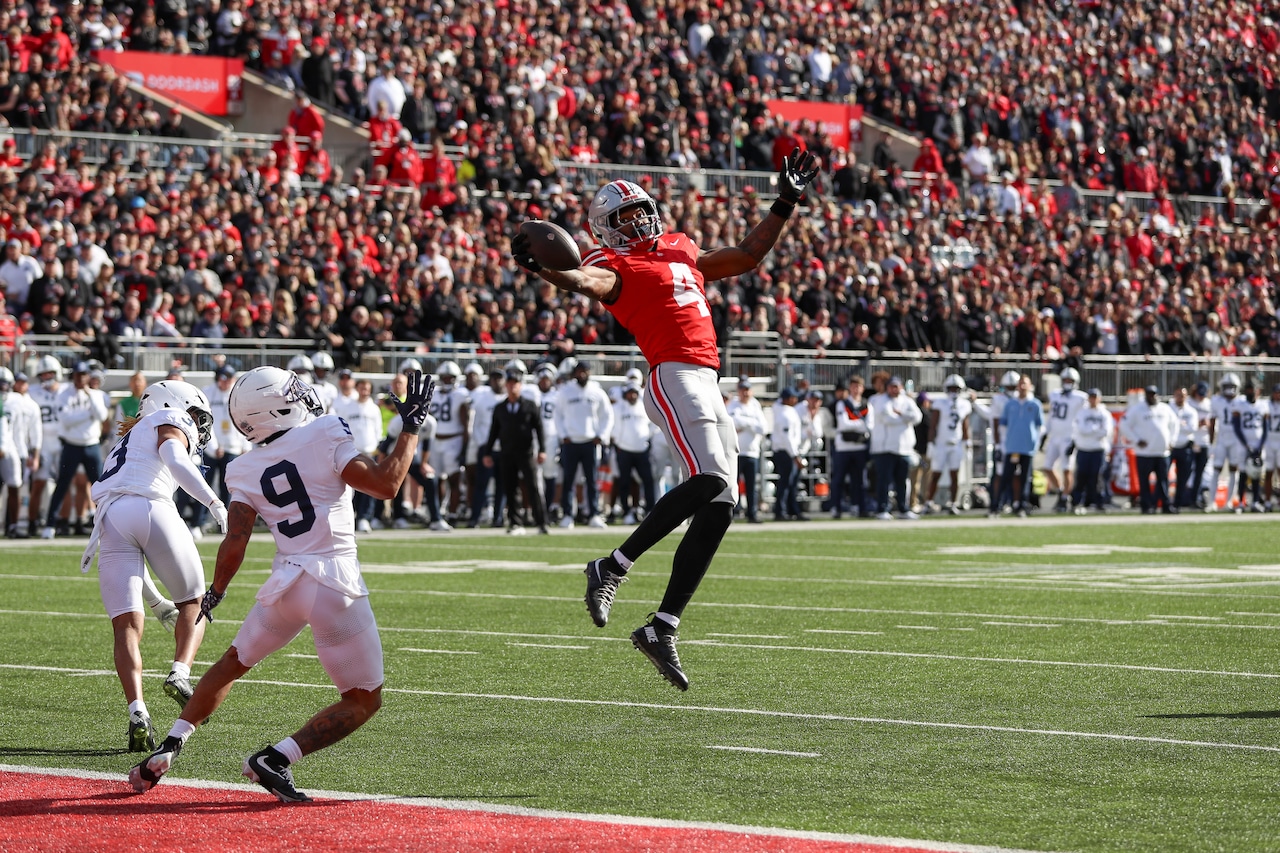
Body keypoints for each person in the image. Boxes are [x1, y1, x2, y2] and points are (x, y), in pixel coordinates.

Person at [511, 148, 819, 690]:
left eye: (641, 211)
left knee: (723, 505)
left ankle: (662, 625)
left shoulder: (680, 246)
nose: (639, 221)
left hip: (708, 377)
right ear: (607, 229)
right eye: (626, 217)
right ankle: (612, 565)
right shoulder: (612, 264)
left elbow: (746, 256)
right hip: (673, 374)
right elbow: (586, 283)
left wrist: (785, 203)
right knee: (712, 480)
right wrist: (547, 269)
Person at [129, 366, 435, 802]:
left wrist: (217, 590)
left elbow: (236, 540)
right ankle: (277, 757)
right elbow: (385, 485)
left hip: (286, 584)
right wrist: (411, 428)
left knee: (232, 662)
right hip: (334, 582)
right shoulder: (326, 431)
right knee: (364, 699)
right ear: (276, 407)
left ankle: (171, 744)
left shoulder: (243, 467)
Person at [82, 380, 227, 752]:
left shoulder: (124, 443)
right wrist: (214, 502)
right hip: (152, 506)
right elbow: (175, 458)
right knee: (195, 603)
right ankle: (180, 673)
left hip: (111, 519)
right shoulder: (168, 417)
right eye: (195, 414)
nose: (197, 423)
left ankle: (137, 711)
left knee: (127, 626)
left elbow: (133, 543)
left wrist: (156, 601)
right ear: (173, 403)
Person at [43, 362, 109, 538]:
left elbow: (101, 416)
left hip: (91, 445)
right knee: (62, 484)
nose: (81, 378)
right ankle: (49, 525)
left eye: (84, 375)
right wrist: (88, 414)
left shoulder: (95, 394)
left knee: (100, 486)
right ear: (73, 376)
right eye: (78, 375)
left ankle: (109, 525)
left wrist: (90, 396)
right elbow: (66, 420)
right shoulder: (64, 394)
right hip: (71, 445)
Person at [481, 368, 548, 535]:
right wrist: (488, 452)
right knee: (510, 488)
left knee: (533, 487)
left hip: (526, 452)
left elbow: (539, 429)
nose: (512, 387)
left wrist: (542, 449)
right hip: (507, 452)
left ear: (520, 385)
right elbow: (494, 431)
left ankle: (541, 522)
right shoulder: (500, 408)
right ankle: (515, 522)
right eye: (509, 383)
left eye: (515, 383)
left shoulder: (530, 406)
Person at [553, 360, 613, 528]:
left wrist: (601, 435)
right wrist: (563, 435)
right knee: (568, 480)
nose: (582, 374)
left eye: (585, 371)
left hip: (590, 442)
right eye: (579, 371)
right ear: (574, 373)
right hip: (570, 442)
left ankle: (593, 514)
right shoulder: (565, 391)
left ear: (589, 372)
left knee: (592, 480)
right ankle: (567, 515)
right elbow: (558, 415)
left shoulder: (597, 391)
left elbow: (607, 415)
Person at [1119, 385, 1179, 514]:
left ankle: (1165, 505)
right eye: (1149, 394)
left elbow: (1175, 424)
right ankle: (1146, 506)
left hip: (1162, 452)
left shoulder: (1164, 408)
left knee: (1163, 480)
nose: (1152, 397)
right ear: (1145, 395)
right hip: (1144, 452)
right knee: (1144, 481)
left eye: (1154, 394)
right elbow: (1123, 425)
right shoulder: (1137, 409)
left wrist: (1172, 441)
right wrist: (1136, 440)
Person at [870, 376, 923, 520]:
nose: (894, 390)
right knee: (884, 481)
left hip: (904, 448)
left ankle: (903, 508)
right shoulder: (880, 400)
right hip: (885, 448)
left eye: (896, 386)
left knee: (902, 481)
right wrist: (906, 419)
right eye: (891, 387)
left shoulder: (907, 401)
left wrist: (901, 414)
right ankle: (882, 509)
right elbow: (888, 419)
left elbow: (917, 417)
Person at [427, 360, 468, 530]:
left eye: (450, 377)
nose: (447, 380)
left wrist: (464, 447)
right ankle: (437, 513)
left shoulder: (461, 395)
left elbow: (466, 423)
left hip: (454, 439)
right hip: (435, 440)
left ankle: (453, 513)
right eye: (444, 377)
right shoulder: (433, 393)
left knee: (454, 479)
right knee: (435, 479)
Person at [1041, 367, 1088, 511]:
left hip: (1068, 437)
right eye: (1065, 380)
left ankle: (1065, 497)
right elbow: (1051, 416)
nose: (1067, 382)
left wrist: (1075, 440)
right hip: (1055, 436)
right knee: (1047, 467)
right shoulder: (1055, 394)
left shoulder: (1081, 398)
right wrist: (1045, 434)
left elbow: (1082, 419)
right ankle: (1063, 492)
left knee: (1067, 469)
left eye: (1070, 380)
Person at [924, 374, 971, 514]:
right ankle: (929, 502)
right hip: (941, 444)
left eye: (956, 389)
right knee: (936, 474)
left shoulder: (964, 404)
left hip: (956, 444)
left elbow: (965, 425)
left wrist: (967, 443)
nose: (954, 391)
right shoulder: (940, 403)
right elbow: (933, 425)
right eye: (951, 388)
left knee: (954, 475)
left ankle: (953, 503)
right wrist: (930, 443)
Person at [28, 355, 63, 537]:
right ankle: (32, 522)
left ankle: (63, 522)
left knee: (65, 483)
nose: (47, 377)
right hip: (43, 443)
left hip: (63, 441)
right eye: (44, 374)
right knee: (39, 483)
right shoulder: (32, 392)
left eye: (50, 373)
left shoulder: (66, 390)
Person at [611, 381, 656, 524]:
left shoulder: (645, 408)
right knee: (624, 482)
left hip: (642, 450)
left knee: (648, 480)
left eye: (635, 393)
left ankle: (650, 510)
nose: (632, 396)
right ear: (625, 394)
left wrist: (647, 438)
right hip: (623, 450)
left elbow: (653, 424)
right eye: (630, 393)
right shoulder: (617, 408)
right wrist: (618, 442)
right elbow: (612, 426)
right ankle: (627, 512)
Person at [1000, 375, 1044, 517]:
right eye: (1020, 383)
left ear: (1030, 386)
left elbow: (1040, 426)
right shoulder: (1010, 404)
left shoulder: (1035, 404)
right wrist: (1002, 444)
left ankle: (1022, 506)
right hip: (1012, 447)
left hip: (1027, 448)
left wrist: (1036, 443)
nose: (1022, 386)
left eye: (1025, 383)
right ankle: (998, 505)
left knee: (1025, 479)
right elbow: (1003, 425)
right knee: (1006, 477)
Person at [829, 375, 872, 519]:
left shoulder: (866, 404)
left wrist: (855, 425)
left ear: (862, 388)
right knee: (838, 479)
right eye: (853, 386)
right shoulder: (842, 404)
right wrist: (860, 424)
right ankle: (836, 508)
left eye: (858, 386)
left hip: (860, 447)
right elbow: (843, 425)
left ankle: (860, 507)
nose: (856, 389)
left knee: (860, 481)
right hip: (843, 448)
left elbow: (870, 425)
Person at [727, 378, 766, 523]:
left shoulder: (755, 405)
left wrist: (744, 424)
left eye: (747, 389)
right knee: (732, 485)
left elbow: (763, 428)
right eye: (743, 389)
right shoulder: (733, 405)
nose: (745, 393)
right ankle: (731, 513)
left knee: (752, 486)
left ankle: (752, 513)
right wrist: (751, 424)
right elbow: (731, 423)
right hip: (736, 452)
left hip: (752, 452)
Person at [1070, 389, 1113, 513]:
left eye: (1095, 397)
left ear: (1099, 398)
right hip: (1084, 448)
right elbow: (1081, 430)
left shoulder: (1104, 413)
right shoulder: (1082, 412)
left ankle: (1099, 502)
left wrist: (1090, 430)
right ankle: (1077, 502)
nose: (1093, 400)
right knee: (1081, 476)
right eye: (1091, 397)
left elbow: (1106, 431)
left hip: (1098, 449)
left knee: (1098, 476)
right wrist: (1095, 429)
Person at [983, 370, 1020, 516]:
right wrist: (997, 445)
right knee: (999, 474)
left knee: (1016, 474)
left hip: (1016, 443)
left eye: (1013, 387)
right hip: (1004, 442)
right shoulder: (999, 400)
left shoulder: (1022, 399)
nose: (1011, 390)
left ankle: (1016, 503)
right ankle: (996, 503)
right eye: (1009, 387)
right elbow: (995, 422)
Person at [1228, 383, 1267, 512]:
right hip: (1243, 444)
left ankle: (1255, 502)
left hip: (1257, 444)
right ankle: (1240, 502)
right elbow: (1236, 427)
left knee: (1256, 473)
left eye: (1253, 389)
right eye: (1249, 390)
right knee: (1243, 473)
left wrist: (1260, 445)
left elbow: (1265, 428)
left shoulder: (1263, 405)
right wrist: (1246, 444)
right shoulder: (1239, 404)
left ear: (1258, 390)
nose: (1251, 392)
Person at [1204, 373, 1241, 511]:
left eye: (1232, 386)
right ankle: (1211, 502)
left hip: (1236, 440)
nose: (1229, 389)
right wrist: (1211, 443)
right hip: (1222, 439)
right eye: (1227, 386)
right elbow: (1213, 422)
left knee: (1234, 471)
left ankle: (1229, 502)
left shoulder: (1241, 401)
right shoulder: (1216, 401)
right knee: (1216, 470)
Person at [770, 387, 805, 520]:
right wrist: (795, 455)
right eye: (793, 397)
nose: (795, 399)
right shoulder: (784, 414)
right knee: (785, 483)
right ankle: (781, 511)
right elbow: (787, 438)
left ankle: (791, 509)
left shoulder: (786, 411)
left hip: (788, 451)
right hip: (786, 452)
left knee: (791, 483)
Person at [1169, 387, 1199, 510]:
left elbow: (1192, 428)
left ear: (1186, 397)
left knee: (1183, 477)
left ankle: (1177, 504)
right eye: (1178, 395)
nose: (1180, 398)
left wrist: (1177, 425)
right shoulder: (1168, 409)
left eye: (1182, 395)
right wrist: (1181, 425)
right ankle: (1164, 503)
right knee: (1163, 476)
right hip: (1170, 446)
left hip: (1185, 446)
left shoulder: (1191, 411)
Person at [1186, 381, 1213, 508]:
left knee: (1200, 472)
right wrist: (1197, 423)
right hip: (1191, 440)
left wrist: (1209, 425)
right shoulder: (1189, 403)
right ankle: (1185, 496)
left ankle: (1196, 497)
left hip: (1204, 441)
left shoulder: (1209, 404)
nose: (1201, 397)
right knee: (1187, 470)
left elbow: (1214, 423)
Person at [1264, 384, 1280, 511]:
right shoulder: (1266, 405)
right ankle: (1267, 501)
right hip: (1269, 441)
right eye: (1276, 392)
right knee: (1268, 472)